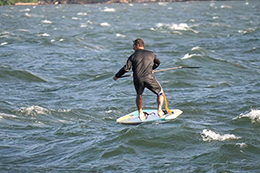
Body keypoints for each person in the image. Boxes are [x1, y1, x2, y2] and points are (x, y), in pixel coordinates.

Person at [113, 38, 166, 121]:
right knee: (160, 92)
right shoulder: (151, 54)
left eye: (133, 46)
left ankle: (140, 113)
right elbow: (157, 63)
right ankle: (159, 111)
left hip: (137, 79)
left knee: (139, 95)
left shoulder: (132, 56)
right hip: (149, 78)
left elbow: (126, 69)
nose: (133, 48)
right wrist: (152, 69)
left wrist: (117, 76)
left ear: (137, 45)